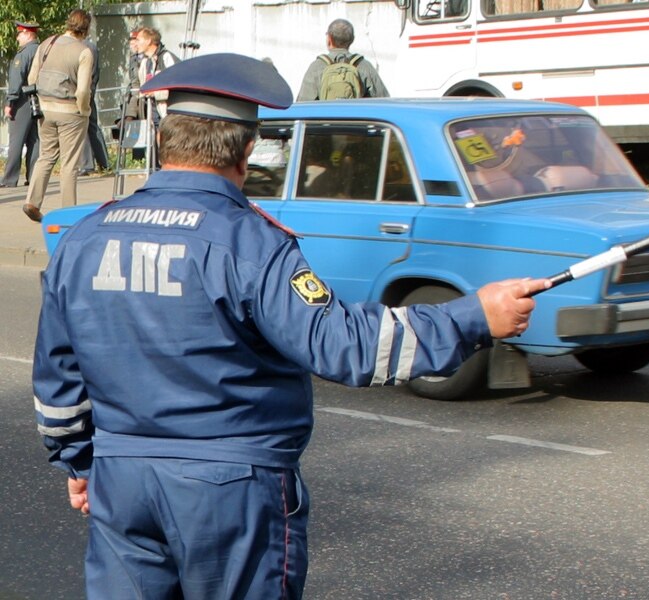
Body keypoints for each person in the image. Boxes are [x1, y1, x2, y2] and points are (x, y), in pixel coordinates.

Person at [32, 53, 549, 599]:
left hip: (123, 480)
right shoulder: (251, 243)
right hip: (231, 490)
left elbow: (57, 381)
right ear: (249, 149)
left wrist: (82, 462)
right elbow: (343, 346)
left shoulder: (85, 239)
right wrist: (473, 316)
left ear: (164, 138)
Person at [22, 9, 94, 223]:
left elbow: (32, 77)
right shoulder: (84, 51)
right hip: (71, 110)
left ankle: (32, 201)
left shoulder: (47, 43)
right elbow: (82, 90)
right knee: (69, 163)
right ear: (86, 28)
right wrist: (84, 110)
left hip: (45, 109)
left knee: (46, 156)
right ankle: (68, 212)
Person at [296, 18, 390, 101]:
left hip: (326, 120)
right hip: (356, 120)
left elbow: (302, 105)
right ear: (352, 39)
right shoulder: (364, 66)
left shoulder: (316, 67)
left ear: (329, 39)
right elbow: (383, 102)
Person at [1, 21, 40, 188]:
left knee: (17, 140)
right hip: (38, 99)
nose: (17, 38)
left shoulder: (23, 54)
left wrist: (10, 101)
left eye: (19, 34)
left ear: (28, 34)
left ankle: (10, 178)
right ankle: (33, 177)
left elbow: (17, 79)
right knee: (35, 140)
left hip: (23, 99)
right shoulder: (41, 50)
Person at [126, 26, 179, 126]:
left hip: (167, 115)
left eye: (138, 39)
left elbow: (177, 86)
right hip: (149, 114)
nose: (135, 43)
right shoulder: (145, 62)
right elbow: (139, 88)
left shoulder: (166, 58)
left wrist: (155, 93)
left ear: (148, 41)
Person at [78, 36, 109, 174]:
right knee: (91, 127)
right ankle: (102, 162)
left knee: (85, 126)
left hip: (84, 92)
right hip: (87, 91)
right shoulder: (88, 46)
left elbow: (90, 73)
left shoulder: (84, 47)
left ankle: (87, 164)